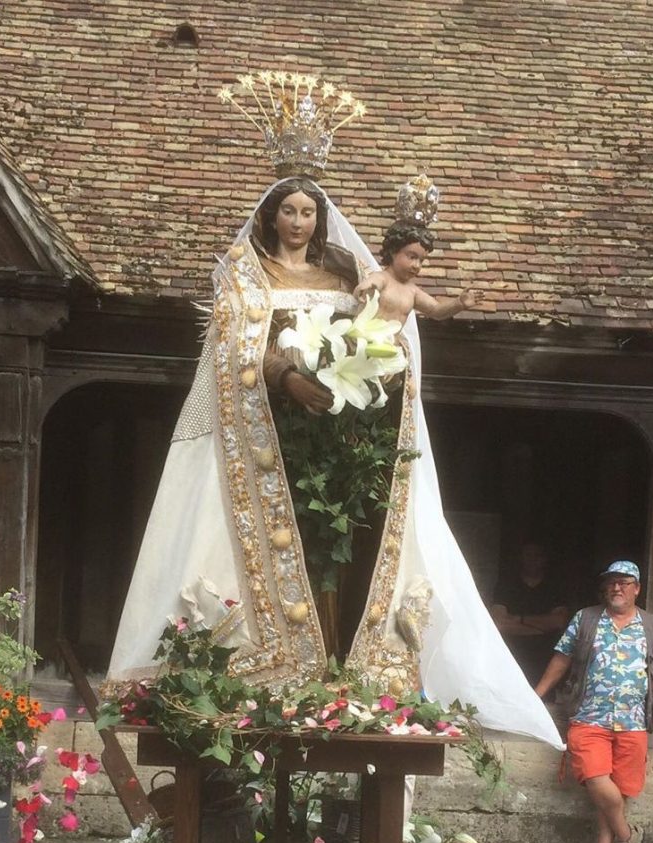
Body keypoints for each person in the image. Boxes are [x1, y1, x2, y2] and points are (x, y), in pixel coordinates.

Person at [106, 74, 562, 750]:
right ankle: (270, 670)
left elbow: (388, 327)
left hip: (343, 432)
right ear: (270, 216)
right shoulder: (244, 273)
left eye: (307, 212)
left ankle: (339, 666)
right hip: (271, 437)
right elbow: (239, 345)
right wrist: (289, 378)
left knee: (343, 549)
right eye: (288, 210)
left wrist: (371, 371)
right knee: (271, 552)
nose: (298, 221)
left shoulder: (349, 271)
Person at [534, 561, 653, 843]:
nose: (617, 588)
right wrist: (536, 695)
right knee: (595, 777)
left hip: (633, 721)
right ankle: (626, 837)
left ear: (637, 588)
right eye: (611, 583)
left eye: (624, 582)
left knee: (621, 788)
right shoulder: (586, 619)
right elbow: (562, 658)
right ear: (605, 588)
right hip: (589, 716)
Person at [353, 221, 481, 324]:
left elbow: (435, 310)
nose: (417, 266)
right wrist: (367, 287)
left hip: (392, 351)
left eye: (421, 260)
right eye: (412, 257)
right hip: (365, 344)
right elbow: (373, 282)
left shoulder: (413, 291)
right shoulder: (383, 279)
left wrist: (458, 304)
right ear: (393, 251)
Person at [491, 542, 569, 684]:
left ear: (544, 559)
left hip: (544, 659)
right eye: (528, 555)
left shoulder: (555, 586)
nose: (532, 560)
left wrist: (518, 619)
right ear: (521, 558)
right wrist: (542, 628)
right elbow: (499, 624)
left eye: (537, 556)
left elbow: (559, 622)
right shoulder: (506, 585)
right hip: (510, 655)